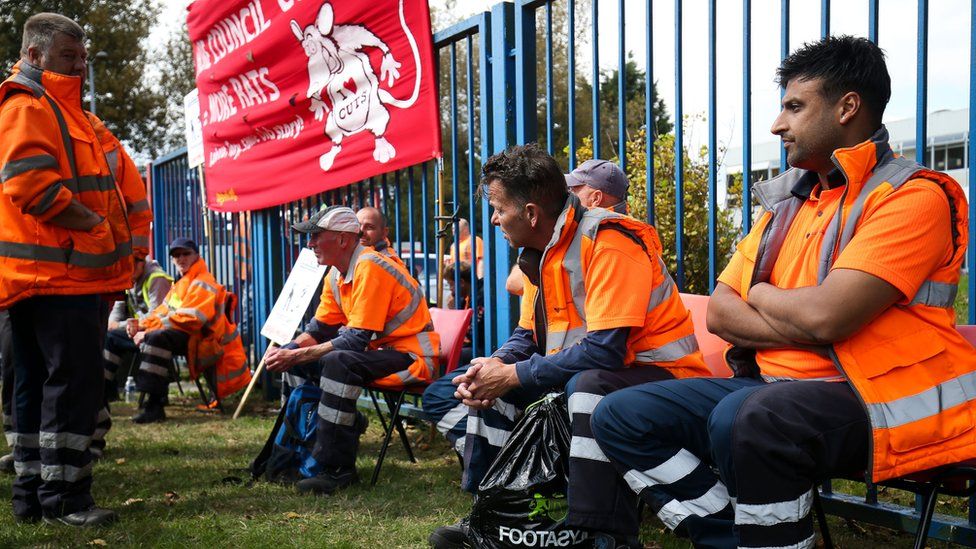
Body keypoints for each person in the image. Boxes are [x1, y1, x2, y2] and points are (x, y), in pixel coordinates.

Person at [590, 35, 976, 549]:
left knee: (750, 416)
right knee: (620, 414)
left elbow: (827, 319)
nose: (777, 124)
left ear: (847, 107)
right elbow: (722, 314)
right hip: (772, 391)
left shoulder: (913, 197)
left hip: (877, 400)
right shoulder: (789, 202)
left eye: (794, 107)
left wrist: (765, 294)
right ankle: (741, 538)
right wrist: (795, 312)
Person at [424, 144, 710, 548]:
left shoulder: (608, 240)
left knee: (584, 387)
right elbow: (527, 337)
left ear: (530, 214)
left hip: (665, 377)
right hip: (603, 374)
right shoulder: (542, 253)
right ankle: (490, 520)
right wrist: (496, 365)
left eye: (499, 209)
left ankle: (601, 535)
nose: (493, 219)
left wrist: (513, 373)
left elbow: (607, 350)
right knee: (495, 384)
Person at [0, 12, 139, 526]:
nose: (79, 65)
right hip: (60, 275)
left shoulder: (59, 110)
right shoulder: (29, 106)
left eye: (82, 56)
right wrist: (96, 228)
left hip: (52, 276)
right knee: (71, 385)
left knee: (37, 385)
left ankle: (34, 499)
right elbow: (31, 185)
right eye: (68, 56)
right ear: (34, 55)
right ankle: (65, 501)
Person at [265, 206, 440, 495]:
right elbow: (319, 328)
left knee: (338, 362)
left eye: (316, 236)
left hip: (411, 358)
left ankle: (337, 469)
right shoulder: (336, 274)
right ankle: (299, 448)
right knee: (296, 362)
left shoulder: (370, 266)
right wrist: (289, 350)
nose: (309, 244)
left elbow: (355, 340)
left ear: (343, 240)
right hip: (380, 354)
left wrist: (296, 353)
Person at [119, 238, 249, 423]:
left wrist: (145, 328)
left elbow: (193, 320)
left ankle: (155, 405)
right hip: (184, 335)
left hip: (202, 339)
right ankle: (106, 397)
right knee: (123, 337)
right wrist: (141, 324)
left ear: (197, 255)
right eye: (176, 255)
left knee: (157, 338)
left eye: (185, 253)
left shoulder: (204, 281)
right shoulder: (181, 284)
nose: (180, 258)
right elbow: (161, 312)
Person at [91, 257, 172, 456]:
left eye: (131, 265)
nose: (127, 270)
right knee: (110, 338)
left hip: (159, 330)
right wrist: (127, 325)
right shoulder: (128, 279)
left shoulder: (156, 278)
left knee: (154, 339)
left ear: (141, 263)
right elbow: (113, 320)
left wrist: (135, 325)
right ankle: (105, 392)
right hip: (139, 329)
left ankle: (154, 404)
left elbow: (158, 316)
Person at [565, 158, 630, 214]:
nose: (568, 193)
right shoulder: (625, 226)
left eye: (573, 189)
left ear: (596, 198)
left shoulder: (590, 228)